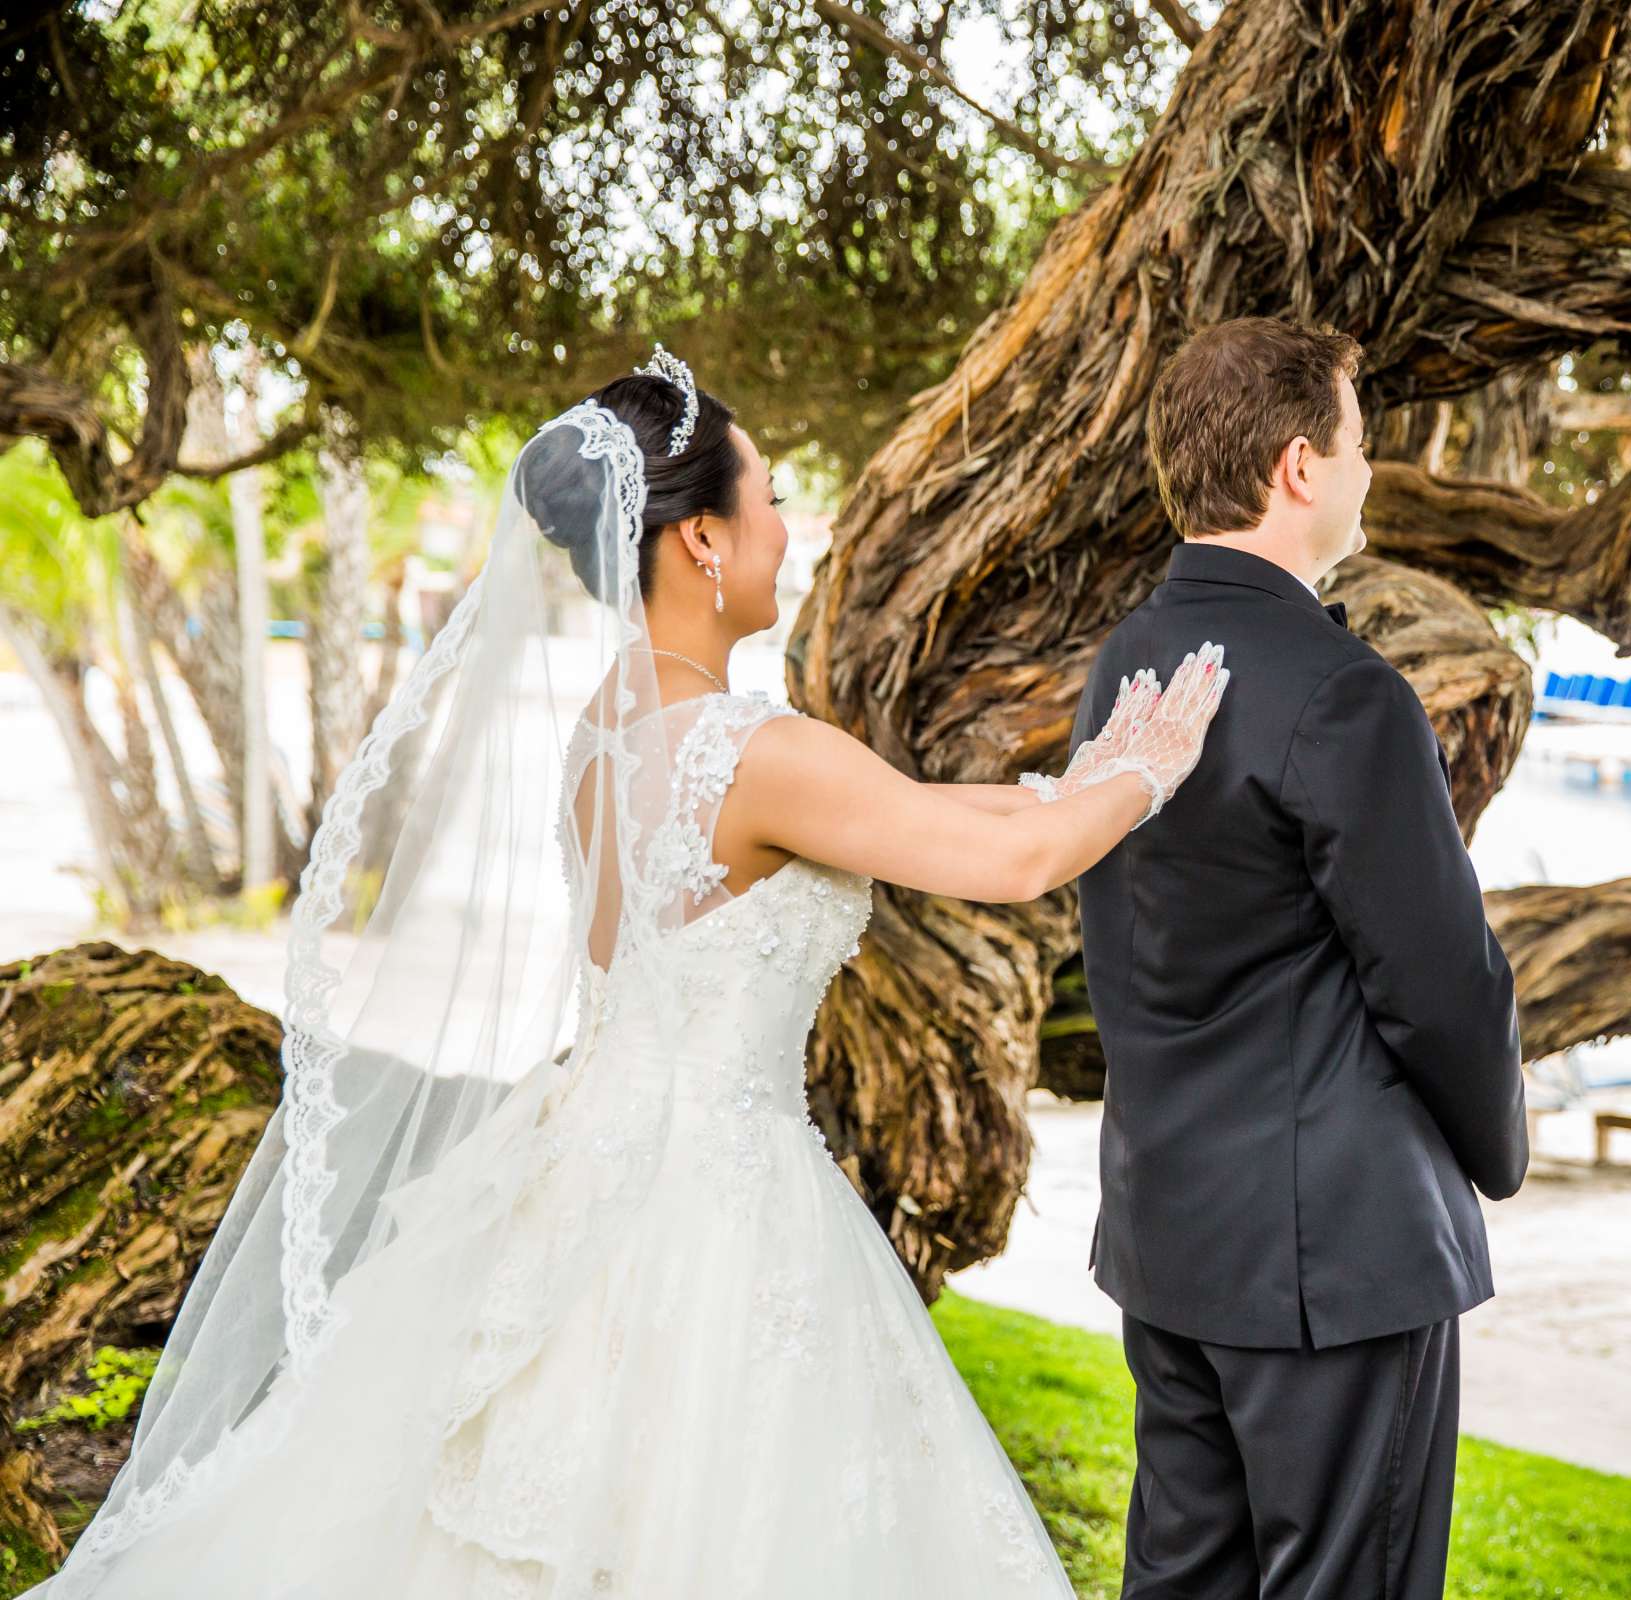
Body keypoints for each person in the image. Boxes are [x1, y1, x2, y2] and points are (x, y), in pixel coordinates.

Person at [31, 349, 1229, 1598]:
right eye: (767, 501)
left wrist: (1085, 776)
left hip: (577, 1163)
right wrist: (1153, 765)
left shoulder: (610, 723)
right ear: (703, 540)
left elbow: (922, 809)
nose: (784, 528)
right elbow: (1015, 860)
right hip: (716, 1202)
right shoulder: (753, 748)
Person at [1042, 317, 1529, 1600]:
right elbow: (1442, 984)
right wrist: (1502, 1153)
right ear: (1301, 466)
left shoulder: (1124, 669)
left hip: (1171, 1233)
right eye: (1360, 442)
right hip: (1337, 1267)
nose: (1370, 471)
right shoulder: (1344, 691)